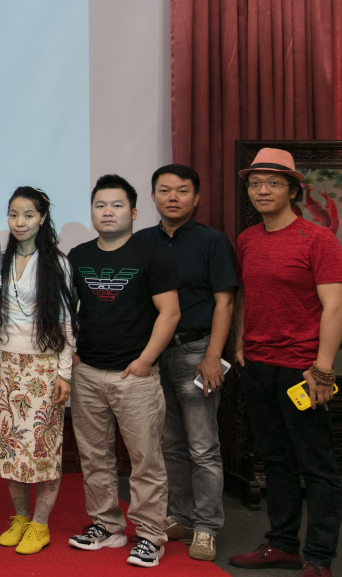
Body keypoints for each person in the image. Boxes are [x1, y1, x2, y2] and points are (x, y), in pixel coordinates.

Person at [229, 149, 342, 577]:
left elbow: (335, 307)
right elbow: (246, 294)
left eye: (274, 183)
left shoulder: (318, 239)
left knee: (316, 466)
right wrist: (240, 343)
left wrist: (323, 368)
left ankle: (319, 557)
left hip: (303, 370)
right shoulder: (247, 240)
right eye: (255, 183)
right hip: (258, 366)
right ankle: (282, 544)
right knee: (276, 461)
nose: (263, 190)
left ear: (294, 190)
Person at [67, 174, 179, 568]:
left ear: (132, 212)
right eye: (100, 205)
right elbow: (64, 311)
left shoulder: (151, 257)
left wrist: (145, 360)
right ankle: (107, 526)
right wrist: (72, 356)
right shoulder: (77, 256)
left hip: (135, 377)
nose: (108, 212)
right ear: (92, 212)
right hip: (88, 373)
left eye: (116, 205)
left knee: (145, 460)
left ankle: (150, 535)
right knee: (94, 457)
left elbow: (170, 313)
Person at [136, 164, 237, 562]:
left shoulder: (212, 242)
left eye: (181, 191)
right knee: (170, 445)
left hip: (197, 353)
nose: (173, 197)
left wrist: (213, 357)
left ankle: (207, 526)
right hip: (154, 356)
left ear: (196, 198)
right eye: (164, 190)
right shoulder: (141, 242)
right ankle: (180, 516)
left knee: (203, 447)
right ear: (153, 197)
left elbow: (225, 302)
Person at [0, 187, 77, 556]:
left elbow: (66, 321)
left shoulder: (57, 263)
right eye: (13, 214)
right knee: (9, 446)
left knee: (43, 448)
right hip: (4, 363)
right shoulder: (1, 260)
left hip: (43, 367)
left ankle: (40, 525)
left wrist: (65, 372)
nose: (20, 222)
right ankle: (21, 518)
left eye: (28, 214)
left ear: (42, 218)